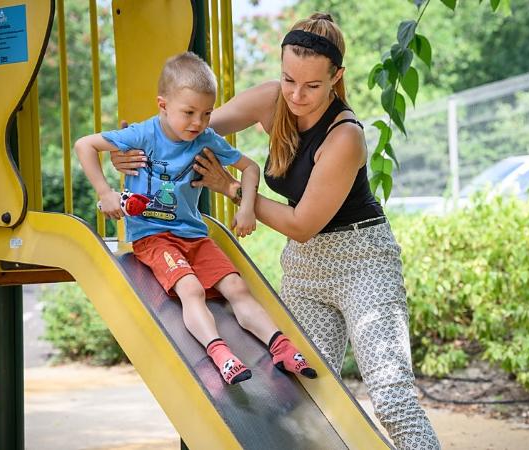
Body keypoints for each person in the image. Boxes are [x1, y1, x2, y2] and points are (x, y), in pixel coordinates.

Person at [111, 15, 440, 450]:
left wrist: (230, 188)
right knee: (307, 397)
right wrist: (132, 153)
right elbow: (189, 129)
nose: (297, 96)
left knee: (391, 396)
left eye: (312, 86)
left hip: (363, 259)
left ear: (336, 78)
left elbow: (301, 224)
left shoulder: (346, 137)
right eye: (289, 80)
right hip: (305, 268)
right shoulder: (272, 99)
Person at [75, 51, 317, 386]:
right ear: (163, 105)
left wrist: (246, 207)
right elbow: (84, 144)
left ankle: (281, 347)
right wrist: (104, 192)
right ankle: (220, 353)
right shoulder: (143, 135)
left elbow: (250, 167)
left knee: (236, 286)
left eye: (206, 114)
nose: (198, 123)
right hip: (154, 237)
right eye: (188, 113)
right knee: (190, 288)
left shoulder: (205, 138)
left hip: (194, 235)